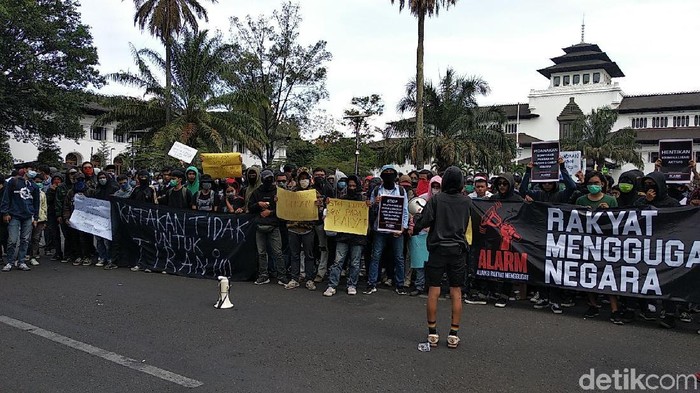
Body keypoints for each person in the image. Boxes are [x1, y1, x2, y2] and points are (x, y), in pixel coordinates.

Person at [414, 166, 472, 349]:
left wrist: (416, 222)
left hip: (438, 249)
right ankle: (454, 334)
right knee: (456, 291)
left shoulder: (437, 200)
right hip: (458, 251)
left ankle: (432, 333)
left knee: (434, 289)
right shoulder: (466, 202)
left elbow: (424, 221)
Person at [634, 171, 685, 329]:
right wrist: (646, 203)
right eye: (647, 184)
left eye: (653, 184)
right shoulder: (640, 201)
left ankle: (670, 313)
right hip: (646, 248)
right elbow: (634, 217)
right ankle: (645, 308)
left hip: (665, 249)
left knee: (666, 281)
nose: (650, 187)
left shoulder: (672, 203)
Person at [364, 165, 409, 295]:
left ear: (395, 175)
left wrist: (403, 228)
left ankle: (400, 285)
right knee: (376, 256)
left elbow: (405, 210)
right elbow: (370, 208)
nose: (389, 174)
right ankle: (371, 283)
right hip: (380, 230)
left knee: (399, 257)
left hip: (396, 231)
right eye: (386, 172)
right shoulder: (377, 190)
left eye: (391, 172)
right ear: (382, 175)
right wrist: (374, 203)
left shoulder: (401, 191)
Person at [323, 175, 368, 296]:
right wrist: (330, 205)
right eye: (350, 185)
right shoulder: (341, 199)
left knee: (355, 262)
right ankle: (332, 285)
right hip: (343, 236)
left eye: (354, 185)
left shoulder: (364, 200)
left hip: (358, 237)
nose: (352, 188)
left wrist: (370, 206)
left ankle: (352, 285)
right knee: (338, 261)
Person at [248, 169, 287, 286]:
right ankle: (263, 275)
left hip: (273, 225)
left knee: (277, 252)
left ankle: (282, 275)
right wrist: (258, 204)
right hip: (260, 225)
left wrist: (270, 212)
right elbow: (250, 208)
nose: (268, 181)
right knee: (261, 253)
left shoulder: (278, 192)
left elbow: (284, 209)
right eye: (266, 179)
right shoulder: (256, 192)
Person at [285, 169, 319, 290]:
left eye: (305, 178)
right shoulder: (291, 193)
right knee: (294, 254)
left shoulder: (315, 193)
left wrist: (319, 205)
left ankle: (309, 279)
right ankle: (294, 278)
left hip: (308, 228)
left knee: (309, 255)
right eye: (301, 178)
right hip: (293, 228)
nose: (303, 180)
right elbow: (285, 206)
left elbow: (320, 211)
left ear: (309, 180)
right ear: (298, 180)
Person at [1, 169, 39, 271]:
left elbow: (36, 203)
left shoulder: (34, 186)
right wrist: (5, 213)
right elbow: (6, 198)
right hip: (14, 215)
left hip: (27, 216)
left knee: (25, 240)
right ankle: (10, 261)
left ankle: (21, 261)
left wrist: (35, 217)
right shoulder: (13, 182)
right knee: (12, 240)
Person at [62, 174, 94, 266]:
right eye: (77, 179)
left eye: (82, 179)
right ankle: (78, 255)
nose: (79, 181)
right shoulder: (70, 193)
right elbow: (66, 206)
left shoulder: (90, 191)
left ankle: (87, 256)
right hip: (74, 219)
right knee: (75, 238)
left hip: (86, 219)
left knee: (86, 238)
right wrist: (66, 218)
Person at [312, 167, 335, 282]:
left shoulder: (329, 188)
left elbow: (334, 206)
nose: (319, 177)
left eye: (322, 175)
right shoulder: (309, 189)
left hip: (322, 222)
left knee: (323, 247)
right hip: (310, 222)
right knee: (309, 247)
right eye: (317, 175)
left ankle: (321, 272)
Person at [93, 171, 118, 269]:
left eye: (104, 177)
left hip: (110, 216)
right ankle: (102, 257)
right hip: (99, 216)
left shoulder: (113, 188)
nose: (102, 179)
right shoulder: (98, 189)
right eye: (100, 178)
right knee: (99, 238)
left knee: (108, 239)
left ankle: (110, 258)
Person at [28, 172, 47, 266]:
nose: (39, 183)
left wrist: (44, 219)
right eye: (37, 181)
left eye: (41, 181)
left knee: (36, 238)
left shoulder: (43, 194)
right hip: (28, 218)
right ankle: (23, 255)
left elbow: (44, 207)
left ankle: (33, 256)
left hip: (40, 218)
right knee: (26, 238)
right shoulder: (28, 191)